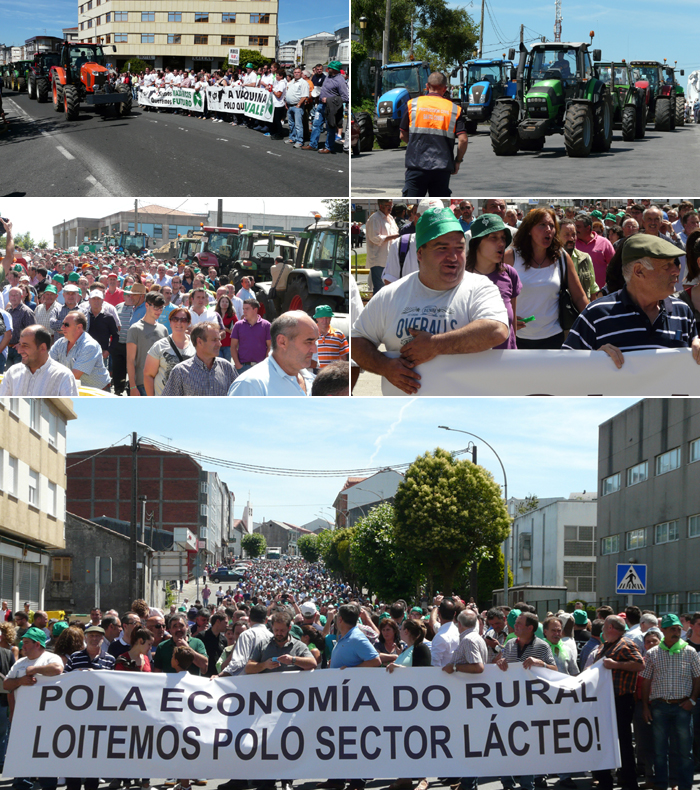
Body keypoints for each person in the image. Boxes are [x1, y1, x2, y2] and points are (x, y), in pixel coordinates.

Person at [351, 206, 509, 394]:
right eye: (442, 248)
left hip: (465, 409)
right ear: (420, 253)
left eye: (459, 248)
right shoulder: (391, 295)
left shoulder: (480, 287)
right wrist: (385, 366)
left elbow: (496, 330)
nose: (453, 257)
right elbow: (357, 340)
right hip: (405, 409)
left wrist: (436, 345)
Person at [563, 234, 700, 367]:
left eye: (675, 263)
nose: (676, 271)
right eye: (667, 265)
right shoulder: (596, 314)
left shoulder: (682, 312)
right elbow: (564, 366)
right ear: (638, 270)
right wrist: (595, 360)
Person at [507, 208, 588, 349]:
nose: (548, 230)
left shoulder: (562, 257)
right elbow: (496, 295)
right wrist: (507, 318)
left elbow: (579, 297)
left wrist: (595, 323)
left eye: (551, 226)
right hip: (517, 339)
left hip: (554, 338)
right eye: (542, 225)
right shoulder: (511, 257)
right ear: (529, 230)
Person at [496, 612, 556, 790]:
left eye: (520, 624)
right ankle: (507, 783)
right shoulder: (509, 644)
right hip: (509, 702)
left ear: (530, 628)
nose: (515, 626)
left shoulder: (542, 646)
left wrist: (541, 663)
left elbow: (554, 669)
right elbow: (503, 665)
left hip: (532, 704)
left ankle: (527, 784)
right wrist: (501, 663)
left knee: (528, 744)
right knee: (506, 742)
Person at [640, 613, 700, 790]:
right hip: (659, 706)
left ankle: (684, 786)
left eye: (678, 629)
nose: (676, 632)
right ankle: (661, 785)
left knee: (685, 751)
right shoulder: (652, 653)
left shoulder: (690, 652)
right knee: (659, 751)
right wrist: (645, 706)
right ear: (663, 630)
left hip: (683, 706)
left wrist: (693, 700)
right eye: (672, 629)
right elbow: (645, 681)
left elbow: (697, 677)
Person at [589, 615, 644, 790]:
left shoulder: (625, 644)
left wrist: (616, 664)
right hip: (605, 700)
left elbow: (639, 664)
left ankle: (629, 781)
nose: (602, 630)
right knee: (604, 740)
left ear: (611, 627)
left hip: (620, 700)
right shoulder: (606, 645)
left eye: (604, 626)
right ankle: (605, 780)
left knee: (623, 741)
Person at [400, 71, 468, 198]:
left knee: (412, 204)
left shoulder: (412, 104)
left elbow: (402, 135)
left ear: (427, 86)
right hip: (442, 168)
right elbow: (463, 140)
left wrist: (416, 145)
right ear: (445, 89)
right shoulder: (454, 109)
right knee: (438, 206)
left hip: (416, 165)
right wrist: (458, 161)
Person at [465, 213, 521, 348]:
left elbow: (512, 323)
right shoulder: (460, 277)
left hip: (506, 359)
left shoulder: (510, 274)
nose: (501, 244)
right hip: (472, 359)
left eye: (503, 238)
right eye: (493, 238)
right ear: (476, 243)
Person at [228, 311, 317, 396]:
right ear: (282, 342)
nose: (315, 350)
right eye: (309, 342)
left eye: (315, 342)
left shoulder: (313, 381)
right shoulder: (251, 385)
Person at [0, 325, 79, 396]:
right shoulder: (12, 372)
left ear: (42, 348)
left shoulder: (63, 376)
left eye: (25, 346)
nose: (19, 351)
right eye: (20, 344)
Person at [162, 321, 238, 396]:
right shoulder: (180, 371)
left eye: (219, 339)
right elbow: (168, 401)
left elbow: (239, 396)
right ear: (199, 342)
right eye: (214, 340)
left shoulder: (227, 368)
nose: (219, 344)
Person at [49, 310, 111, 390]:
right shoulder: (59, 343)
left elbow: (74, 376)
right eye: (62, 324)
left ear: (79, 327)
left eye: (66, 325)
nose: (62, 327)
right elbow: (48, 366)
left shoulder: (90, 346)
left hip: (98, 392)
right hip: (76, 389)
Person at [143, 306, 195, 396]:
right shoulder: (159, 346)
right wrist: (152, 400)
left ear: (188, 323)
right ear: (170, 322)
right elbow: (148, 375)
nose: (179, 323)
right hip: (164, 399)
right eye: (175, 319)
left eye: (183, 320)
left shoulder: (196, 344)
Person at [127, 291, 168, 395]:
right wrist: (132, 386)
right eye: (156, 307)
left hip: (161, 383)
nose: (159, 311)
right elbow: (130, 361)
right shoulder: (135, 329)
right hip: (141, 384)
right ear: (146, 305)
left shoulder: (163, 329)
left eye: (161, 308)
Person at [304, 60, 348, 154]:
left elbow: (345, 98)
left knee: (330, 127)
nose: (328, 69)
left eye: (330, 68)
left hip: (330, 108)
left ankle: (329, 147)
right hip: (320, 105)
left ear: (335, 69)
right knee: (316, 124)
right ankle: (313, 144)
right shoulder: (328, 76)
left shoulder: (340, 81)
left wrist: (328, 100)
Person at [365, 200, 400, 296]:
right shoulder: (374, 218)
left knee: (390, 287)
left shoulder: (391, 218)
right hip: (378, 260)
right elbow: (374, 238)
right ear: (381, 206)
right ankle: (377, 306)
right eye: (388, 206)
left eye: (391, 206)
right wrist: (394, 236)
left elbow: (396, 233)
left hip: (391, 258)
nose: (390, 208)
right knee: (379, 288)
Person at [230, 298, 271, 372]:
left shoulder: (266, 325)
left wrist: (266, 364)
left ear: (255, 310)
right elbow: (233, 346)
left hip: (261, 367)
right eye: (243, 309)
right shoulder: (238, 325)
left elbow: (270, 347)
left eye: (247, 309)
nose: (244, 312)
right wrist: (237, 364)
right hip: (243, 367)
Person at [313, 304, 348, 369]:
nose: (325, 321)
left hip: (333, 372)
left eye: (327, 318)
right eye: (322, 318)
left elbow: (344, 358)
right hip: (314, 372)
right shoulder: (310, 334)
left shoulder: (339, 334)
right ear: (317, 318)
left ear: (331, 318)